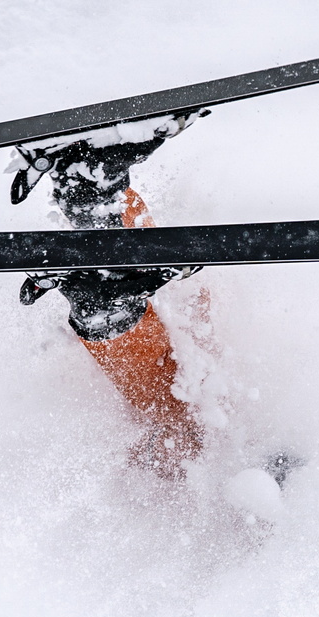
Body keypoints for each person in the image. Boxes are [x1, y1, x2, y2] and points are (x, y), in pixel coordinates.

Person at [12, 117, 206, 478]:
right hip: (129, 311)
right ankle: (90, 170)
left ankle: (88, 177)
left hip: (119, 320)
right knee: (127, 236)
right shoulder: (195, 421)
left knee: (164, 402)